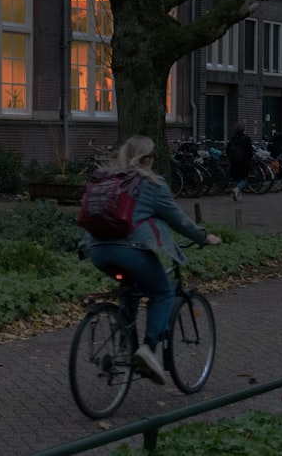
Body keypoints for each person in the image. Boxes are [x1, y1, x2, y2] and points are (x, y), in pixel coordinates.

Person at [79, 135, 221, 385]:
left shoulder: (108, 179)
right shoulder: (152, 183)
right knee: (163, 293)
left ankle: (125, 344)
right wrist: (203, 237)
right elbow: (178, 219)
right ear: (148, 158)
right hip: (131, 251)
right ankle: (147, 349)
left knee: (130, 289)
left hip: (98, 252)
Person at [225, 122, 253, 202]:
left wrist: (231, 157)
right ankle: (237, 190)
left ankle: (238, 197)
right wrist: (248, 159)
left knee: (236, 179)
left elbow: (228, 150)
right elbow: (249, 151)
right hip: (243, 162)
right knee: (244, 179)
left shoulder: (233, 138)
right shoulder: (246, 138)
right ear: (243, 129)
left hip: (234, 162)